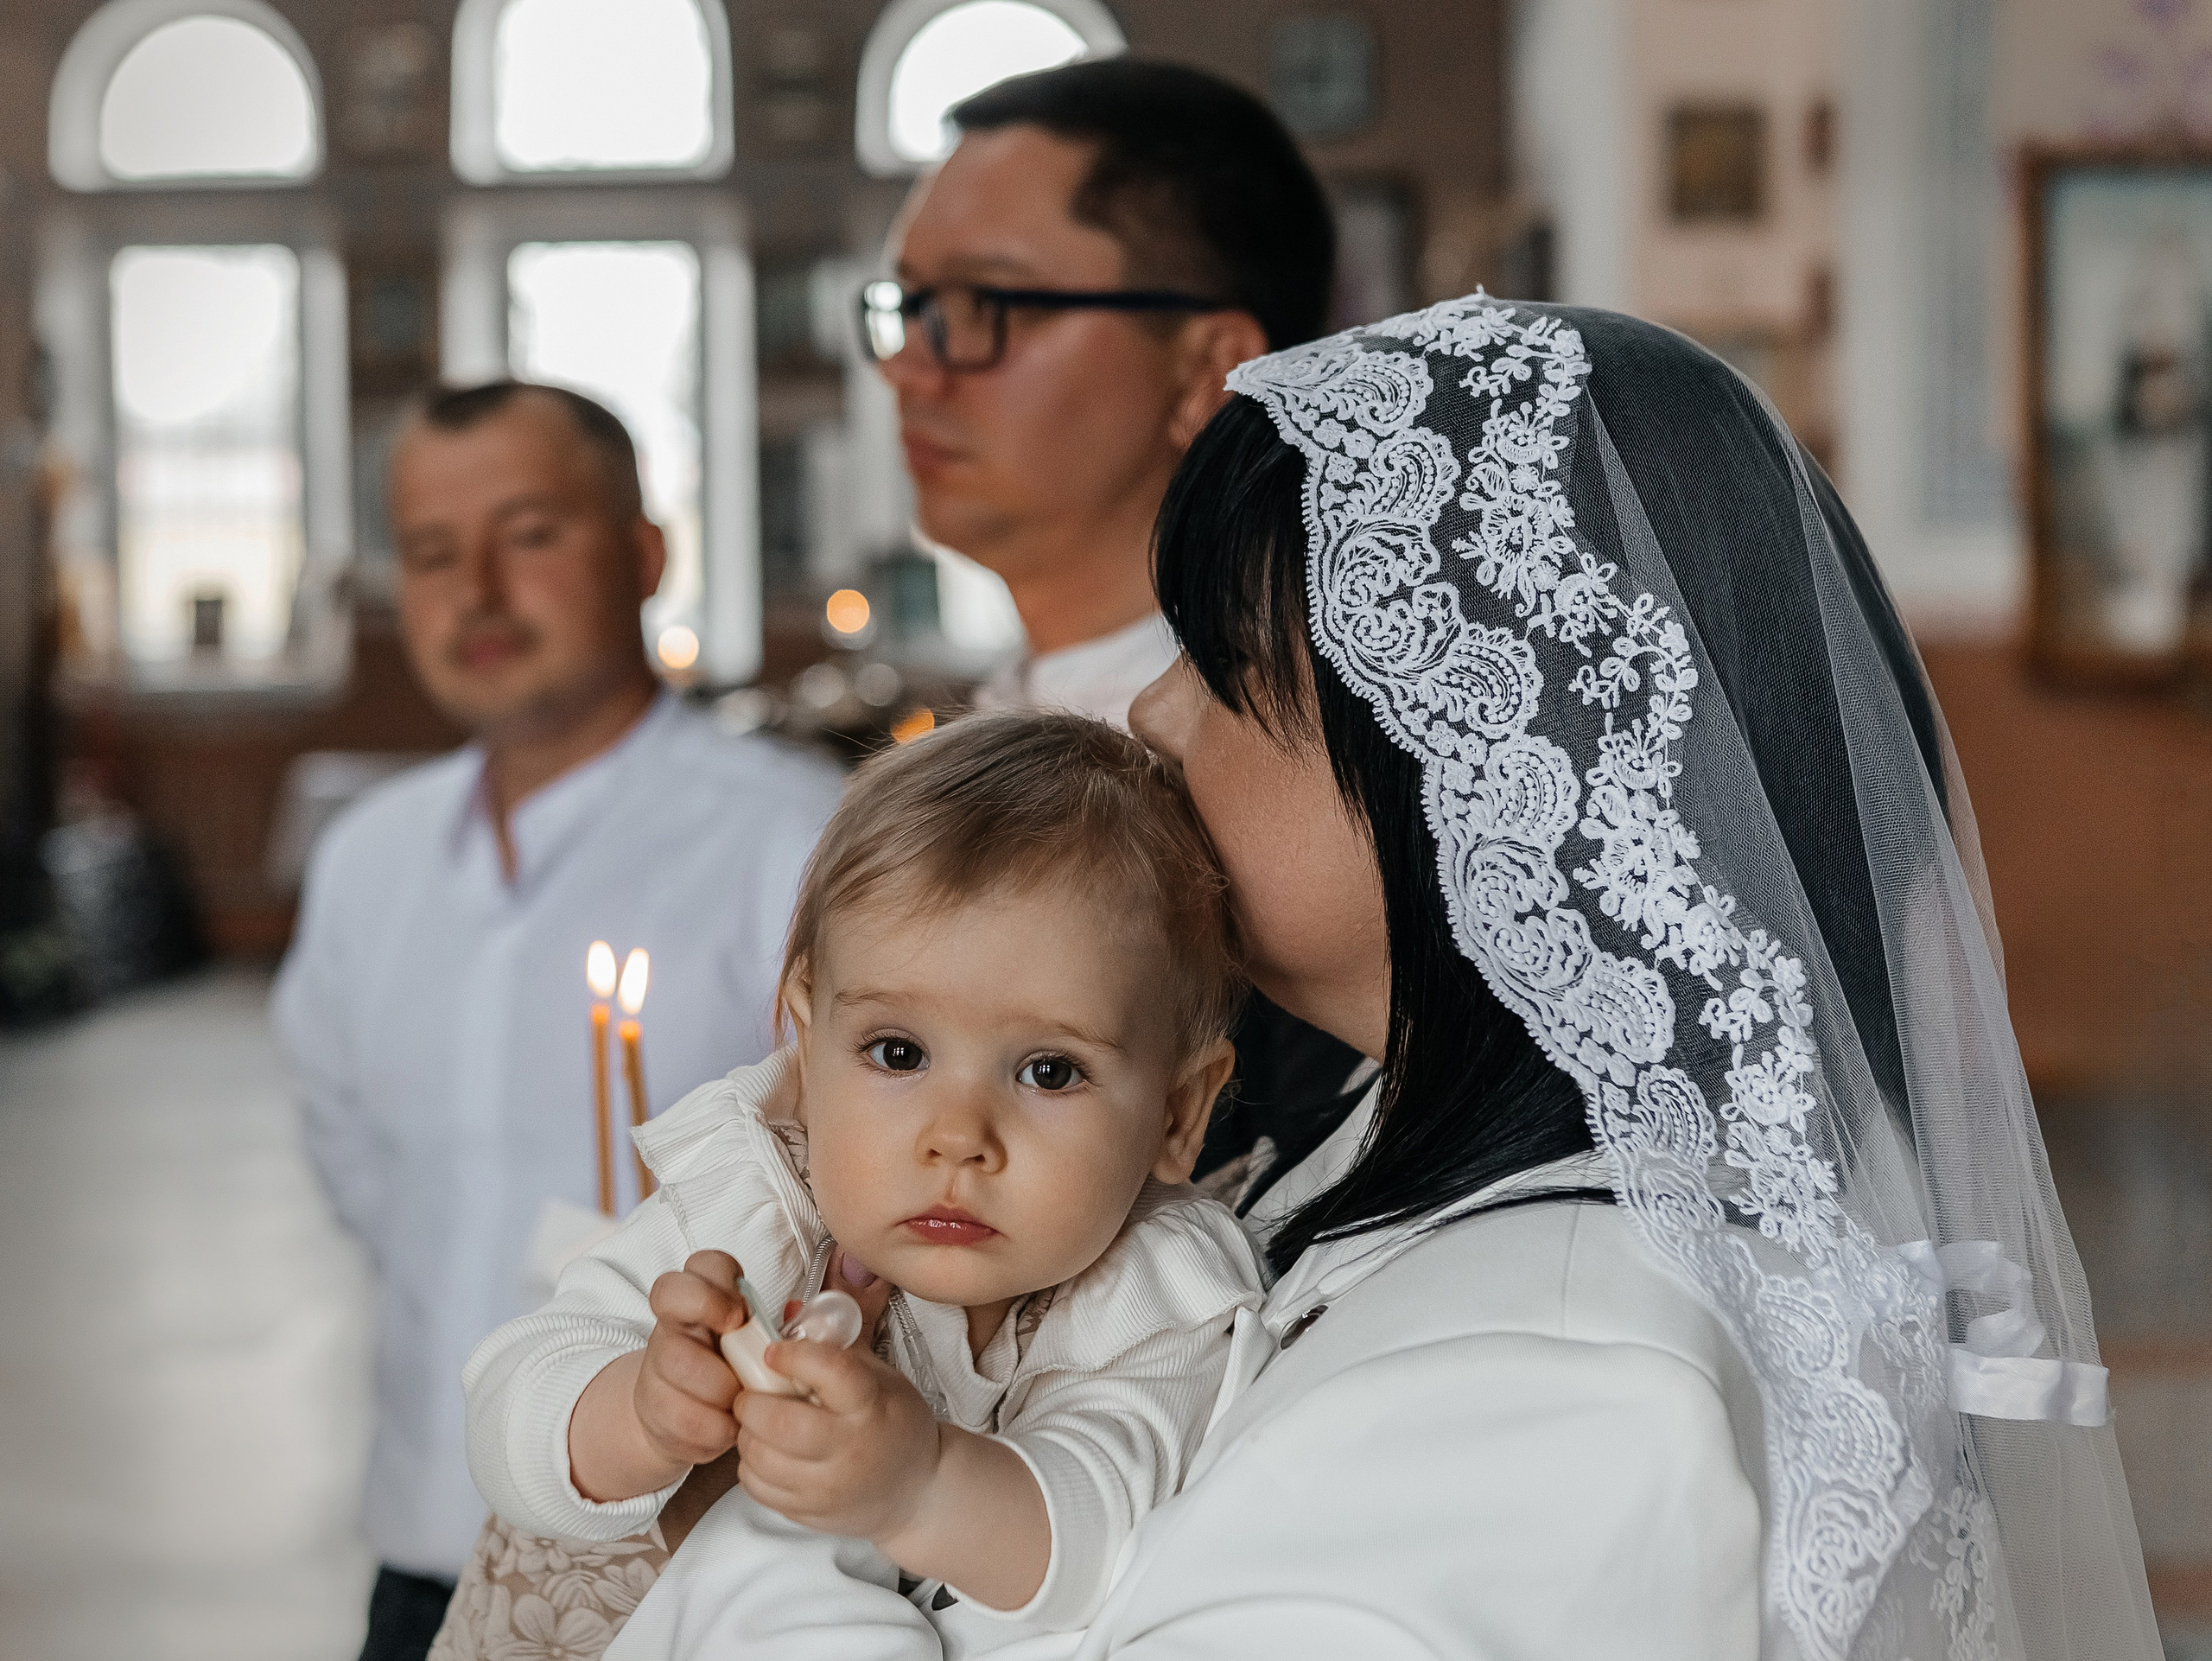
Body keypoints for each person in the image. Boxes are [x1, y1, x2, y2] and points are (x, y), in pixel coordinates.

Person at [1080, 292, 2161, 1658]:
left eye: (1227, 666)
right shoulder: (1472, 1170)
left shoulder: (1529, 1384)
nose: (1152, 711)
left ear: (1478, 752)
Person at [458, 711, 1263, 1660]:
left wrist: (920, 1484)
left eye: (1048, 1071)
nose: (957, 1137)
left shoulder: (1151, 1297)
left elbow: (1104, 1535)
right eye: (898, 1053)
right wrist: (636, 1413)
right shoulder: (758, 1201)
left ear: (1176, 1112)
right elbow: (508, 1392)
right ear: (807, 1047)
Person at [273, 381, 844, 1661]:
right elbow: (357, 1162)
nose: (475, 591)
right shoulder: (369, 857)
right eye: (431, 553)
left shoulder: (794, 840)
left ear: (645, 554)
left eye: (529, 533)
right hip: (428, 1542)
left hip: (700, 1568)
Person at [860, 55, 1363, 1193]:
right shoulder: (994, 711)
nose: (907, 367)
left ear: (1206, 368)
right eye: (910, 306)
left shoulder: (1305, 803)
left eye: (985, 307)